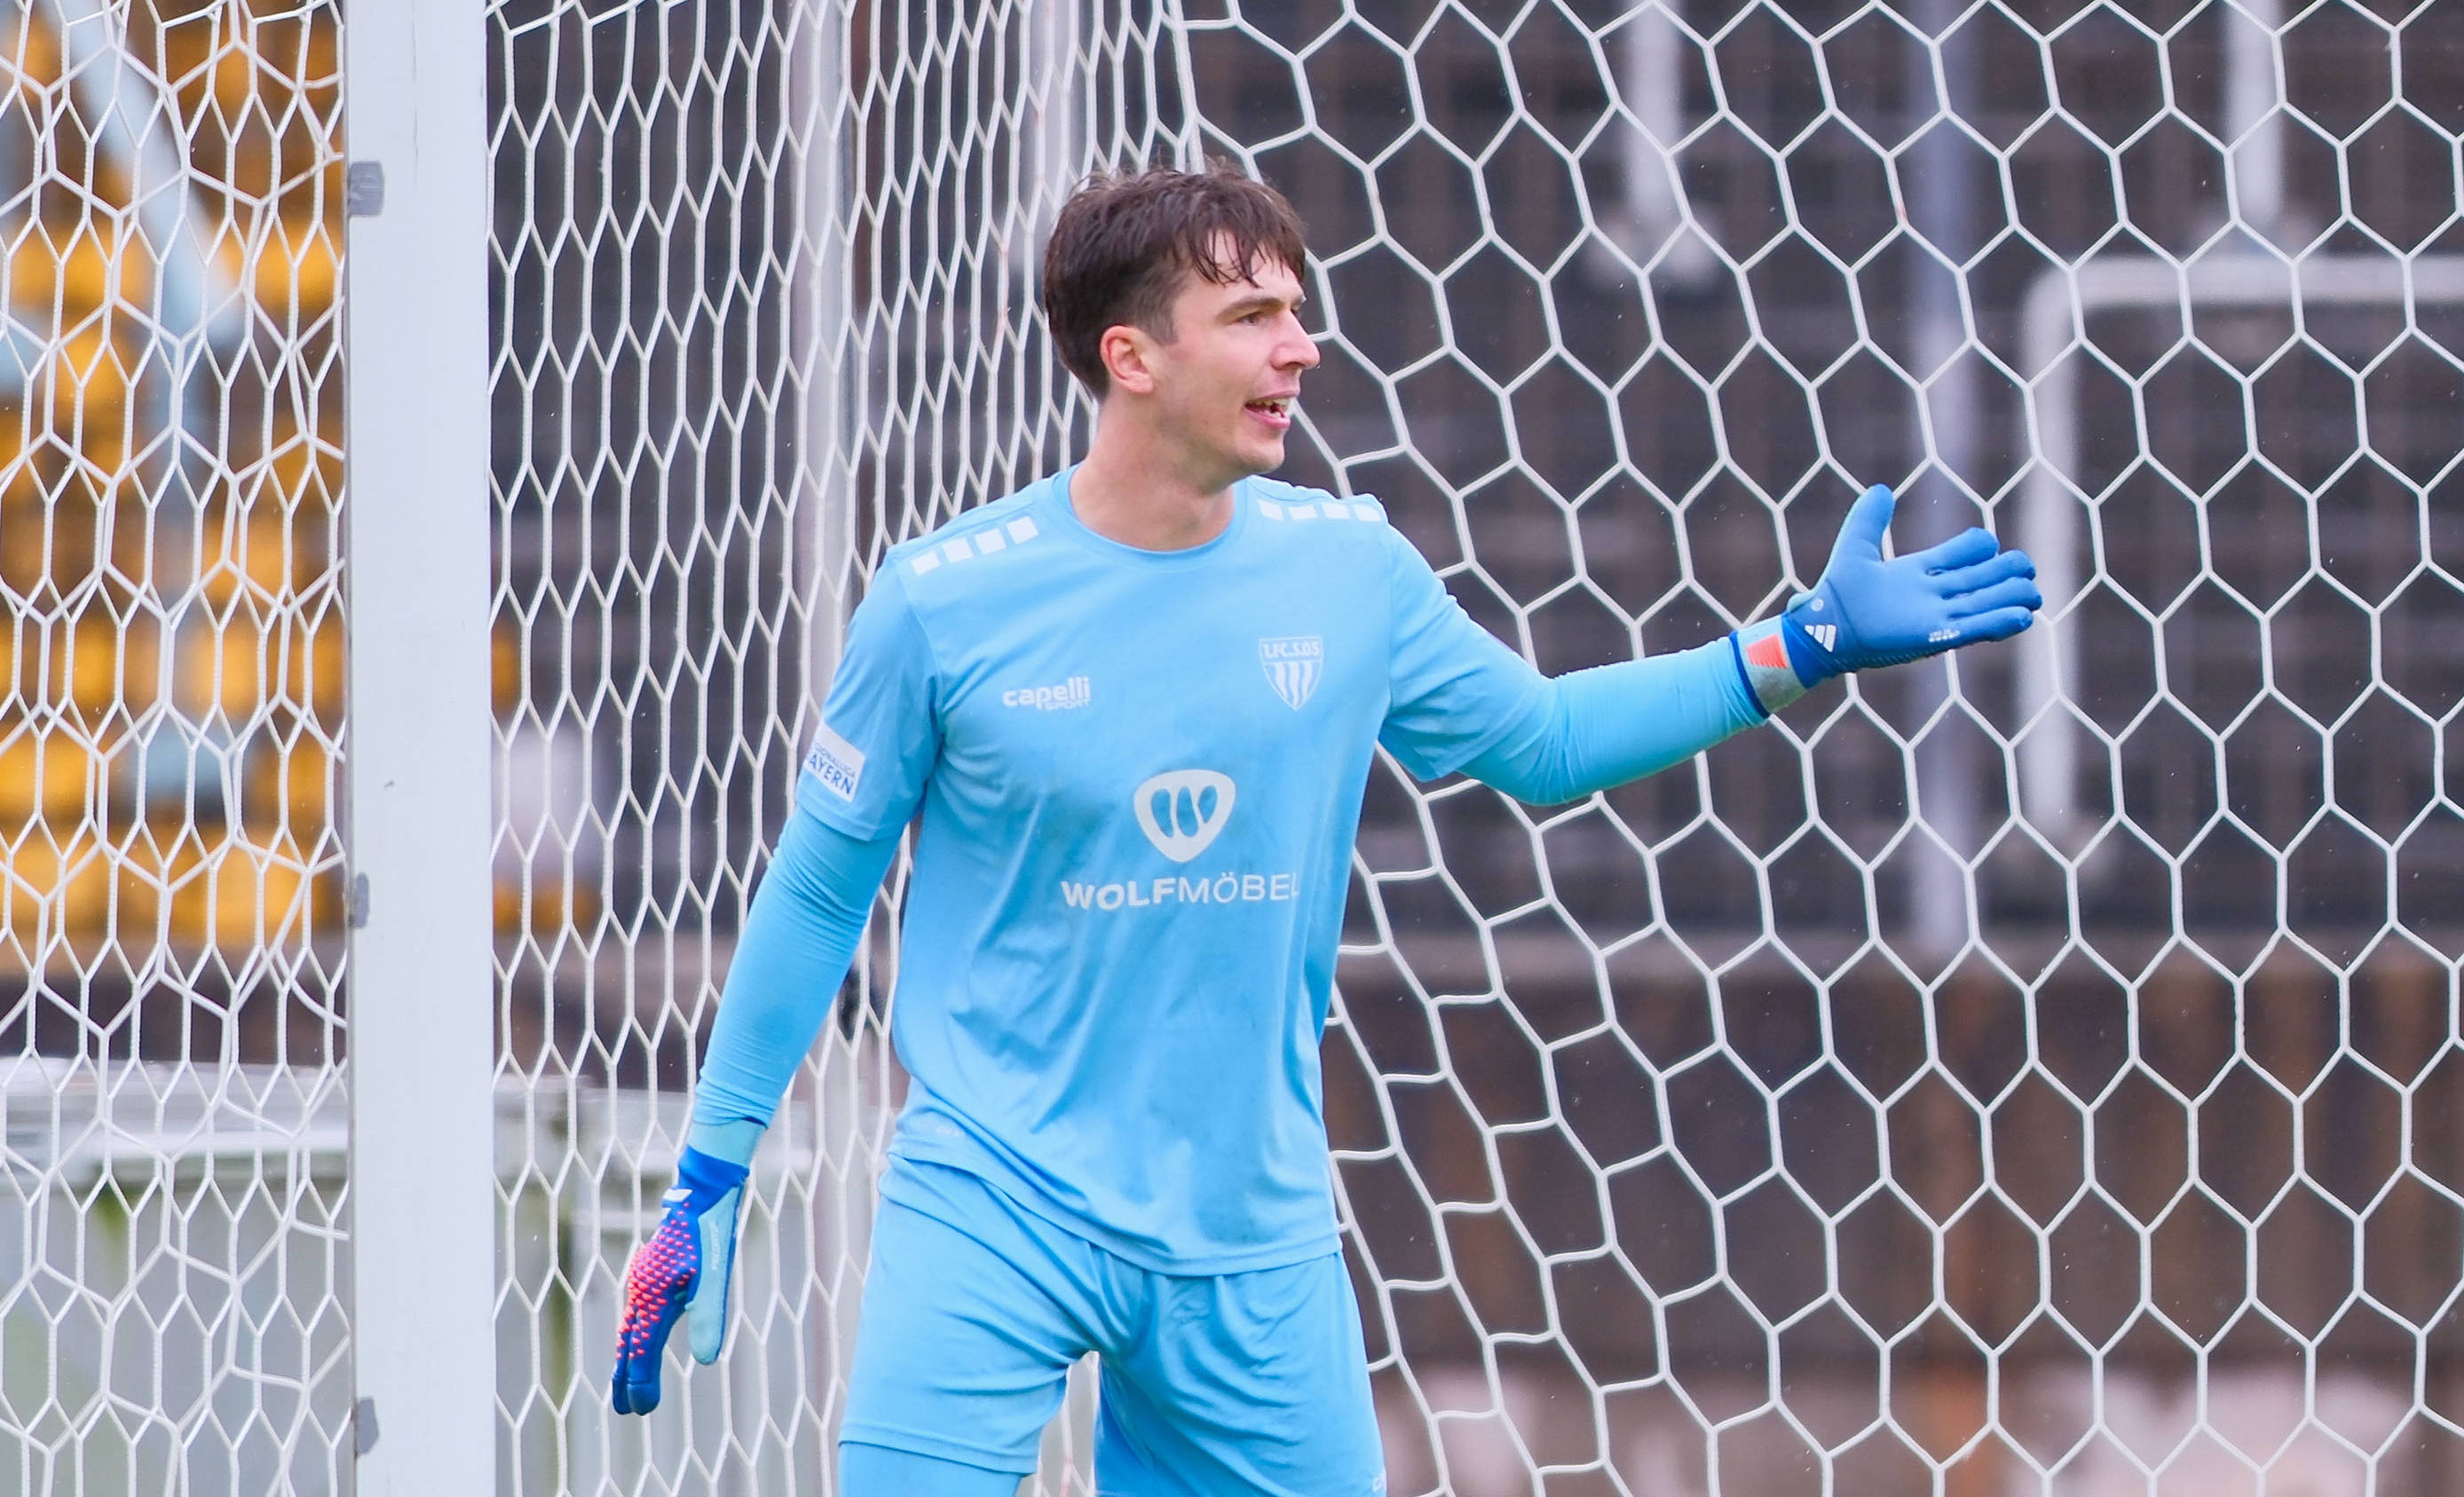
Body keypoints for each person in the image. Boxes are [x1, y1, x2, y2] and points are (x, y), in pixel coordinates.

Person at [610, 162, 2040, 1495]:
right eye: (1252, 316)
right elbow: (816, 894)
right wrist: (711, 1169)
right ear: (1132, 358)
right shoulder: (943, 602)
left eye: (1299, 312)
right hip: (996, 1203)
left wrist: (1794, 647)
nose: (1299, 347)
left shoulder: (1347, 571)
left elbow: (1537, 743)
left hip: (1249, 1230)